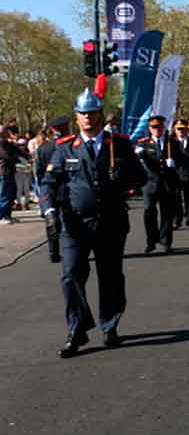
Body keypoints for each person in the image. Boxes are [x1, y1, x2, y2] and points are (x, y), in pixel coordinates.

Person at [38, 88, 147, 357]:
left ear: (100, 115)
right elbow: (48, 184)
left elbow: (139, 178)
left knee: (110, 276)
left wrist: (122, 180)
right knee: (70, 274)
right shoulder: (64, 148)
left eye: (92, 113)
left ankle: (110, 325)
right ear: (77, 117)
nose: (88, 118)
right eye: (83, 114)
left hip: (110, 222)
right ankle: (77, 328)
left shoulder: (118, 144)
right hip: (74, 224)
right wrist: (49, 210)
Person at [136, 115, 185, 254]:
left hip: (167, 183)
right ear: (149, 128)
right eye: (154, 127)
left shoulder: (173, 143)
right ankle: (151, 241)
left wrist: (175, 163)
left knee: (167, 214)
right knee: (149, 213)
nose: (157, 129)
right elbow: (138, 163)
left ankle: (166, 241)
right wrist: (139, 155)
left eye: (159, 126)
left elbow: (182, 160)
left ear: (164, 127)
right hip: (150, 183)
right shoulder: (143, 144)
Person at [34, 116, 72, 262]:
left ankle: (53, 252)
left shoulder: (43, 148)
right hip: (68, 188)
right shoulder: (71, 145)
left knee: (51, 221)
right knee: (69, 222)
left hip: (50, 189)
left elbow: (39, 173)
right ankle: (70, 250)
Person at [0, 126, 29, 224]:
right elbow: (6, 155)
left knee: (11, 194)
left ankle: (8, 215)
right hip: (3, 172)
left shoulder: (8, 143)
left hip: (10, 171)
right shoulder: (1, 143)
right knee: (4, 194)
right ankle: (2, 216)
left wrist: (28, 157)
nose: (15, 136)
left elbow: (19, 152)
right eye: (14, 133)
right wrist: (17, 157)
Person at [172, 119, 189, 230]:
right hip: (175, 175)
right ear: (175, 130)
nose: (181, 131)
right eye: (179, 129)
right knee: (175, 199)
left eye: (183, 129)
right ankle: (177, 220)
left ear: (187, 130)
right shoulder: (170, 143)